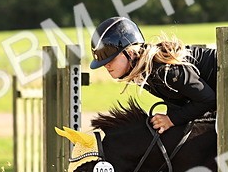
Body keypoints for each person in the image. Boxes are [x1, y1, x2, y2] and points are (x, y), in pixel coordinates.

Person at [89, 16, 217, 133]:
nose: (107, 65)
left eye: (112, 59)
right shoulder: (144, 71)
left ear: (131, 53)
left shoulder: (163, 71)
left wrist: (171, 119)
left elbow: (208, 99)